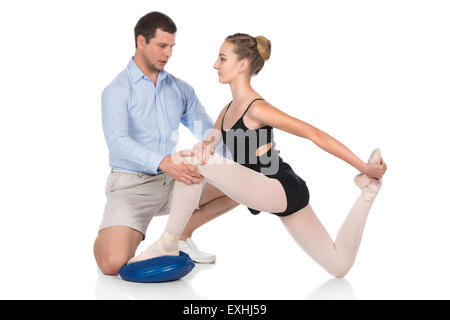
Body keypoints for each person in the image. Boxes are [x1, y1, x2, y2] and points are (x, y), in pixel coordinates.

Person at [127, 33, 387, 278]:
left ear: (242, 65)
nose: (215, 64)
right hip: (262, 188)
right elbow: (211, 141)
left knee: (189, 159)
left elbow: (314, 134)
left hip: (279, 186)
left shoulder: (258, 108)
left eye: (222, 58)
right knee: (338, 266)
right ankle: (367, 193)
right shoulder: (228, 108)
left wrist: (364, 166)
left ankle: (169, 242)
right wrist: (203, 147)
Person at [93, 12, 239, 275]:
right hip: (131, 187)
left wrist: (244, 155)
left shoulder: (180, 89)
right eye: (162, 46)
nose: (168, 53)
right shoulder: (116, 90)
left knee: (242, 182)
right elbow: (117, 142)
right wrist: (164, 163)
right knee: (112, 264)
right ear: (141, 41)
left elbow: (207, 131)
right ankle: (133, 230)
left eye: (172, 46)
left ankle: (181, 234)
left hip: (175, 181)